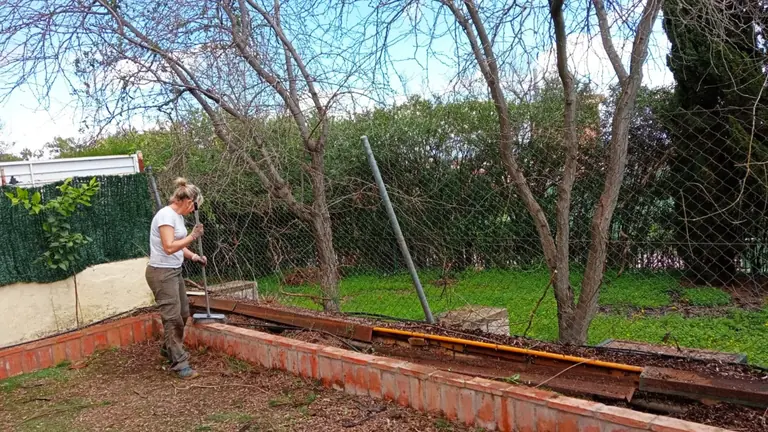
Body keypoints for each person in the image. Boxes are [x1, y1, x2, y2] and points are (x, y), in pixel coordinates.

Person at [145, 177, 207, 379]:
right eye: (195, 206)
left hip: (173, 270)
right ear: (189, 201)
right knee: (172, 319)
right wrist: (193, 236)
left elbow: (180, 246)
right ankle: (180, 364)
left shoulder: (177, 218)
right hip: (161, 273)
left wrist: (194, 256)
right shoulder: (166, 216)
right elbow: (169, 246)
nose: (194, 210)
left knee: (183, 314)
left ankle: (167, 349)